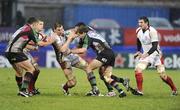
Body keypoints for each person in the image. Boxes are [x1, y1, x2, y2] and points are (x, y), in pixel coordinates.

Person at [69, 25, 131, 98]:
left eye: (79, 34)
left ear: (83, 32)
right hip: (111, 53)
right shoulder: (91, 32)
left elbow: (83, 50)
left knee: (88, 68)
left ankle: (95, 89)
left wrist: (70, 51)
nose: (78, 36)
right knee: (105, 76)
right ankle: (120, 86)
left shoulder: (87, 38)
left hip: (104, 54)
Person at [5, 17, 53, 97]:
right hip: (15, 52)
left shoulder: (23, 28)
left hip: (9, 51)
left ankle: (22, 90)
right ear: (34, 24)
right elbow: (40, 43)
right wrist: (51, 41)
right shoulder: (30, 30)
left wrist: (34, 47)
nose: (39, 26)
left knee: (19, 72)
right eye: (38, 24)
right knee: (31, 69)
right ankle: (24, 90)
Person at [133, 16, 178, 96]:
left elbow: (154, 46)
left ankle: (140, 91)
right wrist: (138, 51)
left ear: (146, 23)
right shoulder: (138, 30)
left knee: (138, 70)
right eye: (139, 22)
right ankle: (174, 89)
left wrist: (145, 55)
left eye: (141, 22)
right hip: (147, 54)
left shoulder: (152, 31)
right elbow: (138, 41)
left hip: (155, 54)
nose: (139, 24)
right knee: (162, 75)